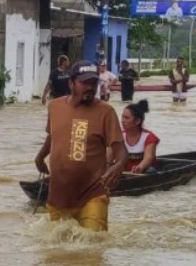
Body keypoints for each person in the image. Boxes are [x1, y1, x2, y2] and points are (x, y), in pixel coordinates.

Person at [35, 61, 128, 232]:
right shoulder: (55, 106)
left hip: (92, 193)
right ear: (71, 83)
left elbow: (120, 149)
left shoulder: (105, 112)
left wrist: (118, 165)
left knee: (92, 249)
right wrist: (40, 157)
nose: (90, 87)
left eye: (93, 83)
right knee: (55, 254)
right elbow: (53, 136)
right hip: (58, 195)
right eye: (84, 83)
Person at [121, 100, 160, 174]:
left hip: (145, 171)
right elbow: (109, 158)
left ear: (137, 121)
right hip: (125, 172)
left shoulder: (149, 137)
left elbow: (148, 158)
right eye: (122, 117)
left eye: (126, 118)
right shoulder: (119, 136)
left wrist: (139, 168)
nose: (122, 121)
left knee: (150, 171)